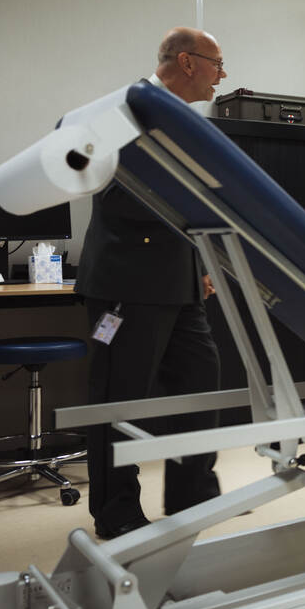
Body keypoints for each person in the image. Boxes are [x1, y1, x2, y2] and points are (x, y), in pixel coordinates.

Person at [76, 26, 227, 539]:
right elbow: (112, 193)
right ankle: (115, 510)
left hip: (178, 284)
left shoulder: (180, 119)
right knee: (118, 398)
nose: (221, 76)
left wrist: (198, 265)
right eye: (217, 64)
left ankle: (192, 493)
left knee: (200, 380)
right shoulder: (125, 110)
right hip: (126, 284)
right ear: (187, 62)